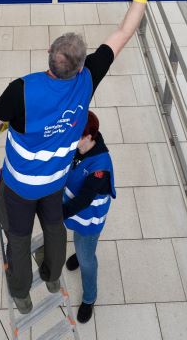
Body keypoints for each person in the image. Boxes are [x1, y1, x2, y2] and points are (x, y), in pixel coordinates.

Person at [0, 0, 162, 314]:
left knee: (16, 240)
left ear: (49, 55)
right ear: (80, 66)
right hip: (54, 182)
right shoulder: (87, 81)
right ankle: (51, 275)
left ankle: (21, 294)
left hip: (18, 185)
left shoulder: (22, 89)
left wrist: (4, 123)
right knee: (54, 229)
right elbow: (125, 31)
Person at [61, 111, 114, 325]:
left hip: (89, 219)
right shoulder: (79, 148)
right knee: (79, 240)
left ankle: (89, 298)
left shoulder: (100, 167)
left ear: (89, 138)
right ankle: (80, 251)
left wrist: (56, 214)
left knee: (87, 259)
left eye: (77, 136)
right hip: (76, 215)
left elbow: (83, 201)